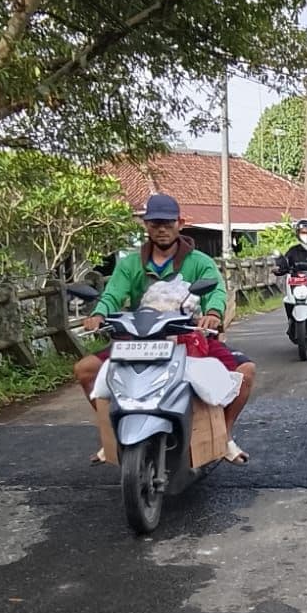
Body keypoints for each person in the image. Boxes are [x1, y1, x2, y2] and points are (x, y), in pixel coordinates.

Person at [75, 194, 253, 464]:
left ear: (179, 224)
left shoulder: (199, 261)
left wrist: (213, 314)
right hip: (139, 339)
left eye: (168, 223)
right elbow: (112, 294)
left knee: (245, 372)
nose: (161, 229)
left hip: (188, 336)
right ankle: (111, 436)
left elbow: (215, 290)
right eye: (155, 223)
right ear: (145, 225)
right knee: (85, 369)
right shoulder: (130, 264)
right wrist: (99, 313)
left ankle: (225, 436)